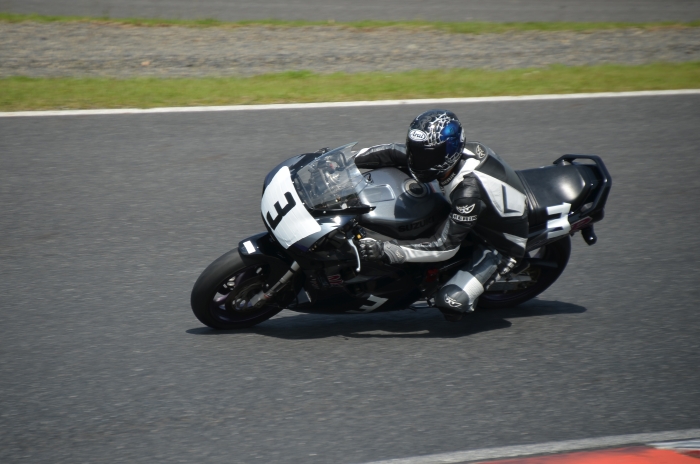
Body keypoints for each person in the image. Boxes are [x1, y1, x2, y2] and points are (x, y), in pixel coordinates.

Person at [355, 109, 529, 321]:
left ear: (449, 153)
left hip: (497, 244)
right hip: (473, 213)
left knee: (450, 302)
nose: (417, 160)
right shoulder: (441, 156)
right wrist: (345, 161)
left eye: (427, 155)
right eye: (415, 151)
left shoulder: (468, 192)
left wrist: (389, 250)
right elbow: (392, 152)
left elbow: (445, 246)